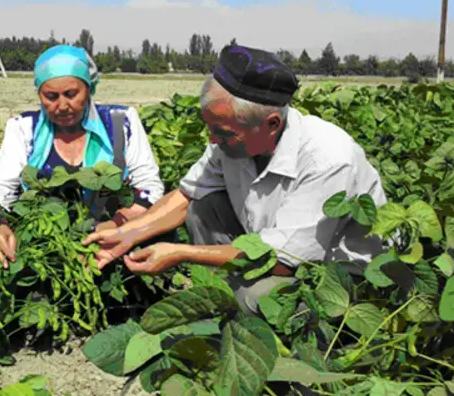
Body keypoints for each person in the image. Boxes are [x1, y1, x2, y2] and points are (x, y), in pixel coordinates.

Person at [82, 44, 388, 314]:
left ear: (271, 124)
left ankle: (249, 318)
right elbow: (185, 196)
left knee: (253, 298)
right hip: (268, 245)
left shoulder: (329, 158)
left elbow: (284, 260)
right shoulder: (232, 140)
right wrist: (130, 233)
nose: (212, 141)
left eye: (224, 133)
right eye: (210, 128)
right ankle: (224, 300)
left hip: (334, 277)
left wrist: (181, 253)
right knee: (200, 207)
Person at [0, 45, 165, 268]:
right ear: (39, 94)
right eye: (51, 96)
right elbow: (3, 190)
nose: (62, 106)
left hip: (115, 239)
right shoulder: (23, 128)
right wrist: (0, 225)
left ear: (89, 89)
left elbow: (150, 187)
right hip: (45, 242)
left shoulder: (121, 122)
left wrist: (118, 224)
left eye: (71, 94)